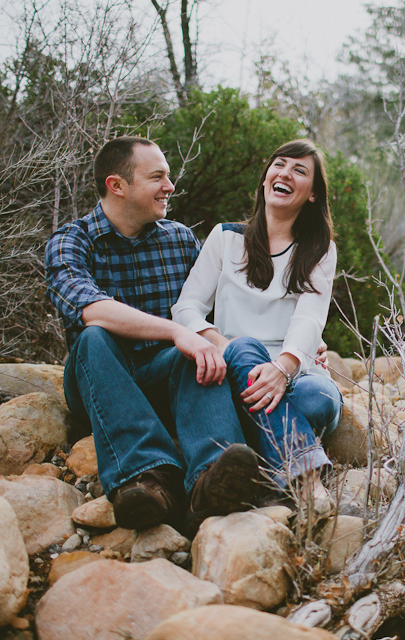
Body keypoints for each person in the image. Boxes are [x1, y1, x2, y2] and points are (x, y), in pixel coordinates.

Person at [45, 136, 261, 534]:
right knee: (95, 336)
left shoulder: (179, 240)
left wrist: (292, 343)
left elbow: (229, 305)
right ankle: (149, 481)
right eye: (157, 176)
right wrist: (178, 331)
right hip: (102, 379)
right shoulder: (70, 241)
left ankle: (209, 482)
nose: (170, 186)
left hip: (166, 376)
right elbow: (90, 308)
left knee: (198, 353)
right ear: (117, 186)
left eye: (169, 176)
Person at [171, 139, 343, 513]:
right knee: (243, 346)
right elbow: (186, 306)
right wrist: (218, 340)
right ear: (266, 179)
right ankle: (305, 479)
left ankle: (256, 445)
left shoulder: (319, 249)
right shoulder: (225, 238)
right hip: (234, 366)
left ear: (312, 194)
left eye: (300, 170)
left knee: (321, 399)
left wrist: (283, 368)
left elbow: (309, 318)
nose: (285, 174)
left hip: (291, 370)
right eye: (279, 164)